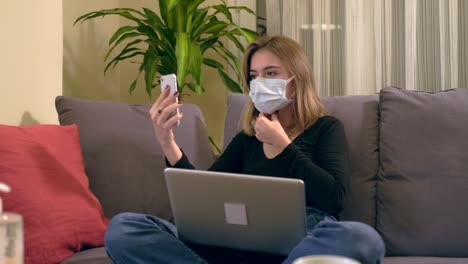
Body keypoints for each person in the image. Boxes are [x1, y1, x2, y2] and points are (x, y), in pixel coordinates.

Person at [104, 35, 385, 264]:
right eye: (254, 76)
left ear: (296, 80)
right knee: (123, 229)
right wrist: (167, 142)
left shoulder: (325, 128)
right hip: (235, 244)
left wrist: (283, 146)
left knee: (362, 238)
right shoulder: (247, 139)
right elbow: (204, 196)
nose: (260, 83)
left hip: (301, 242)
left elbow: (334, 199)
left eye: (271, 73)